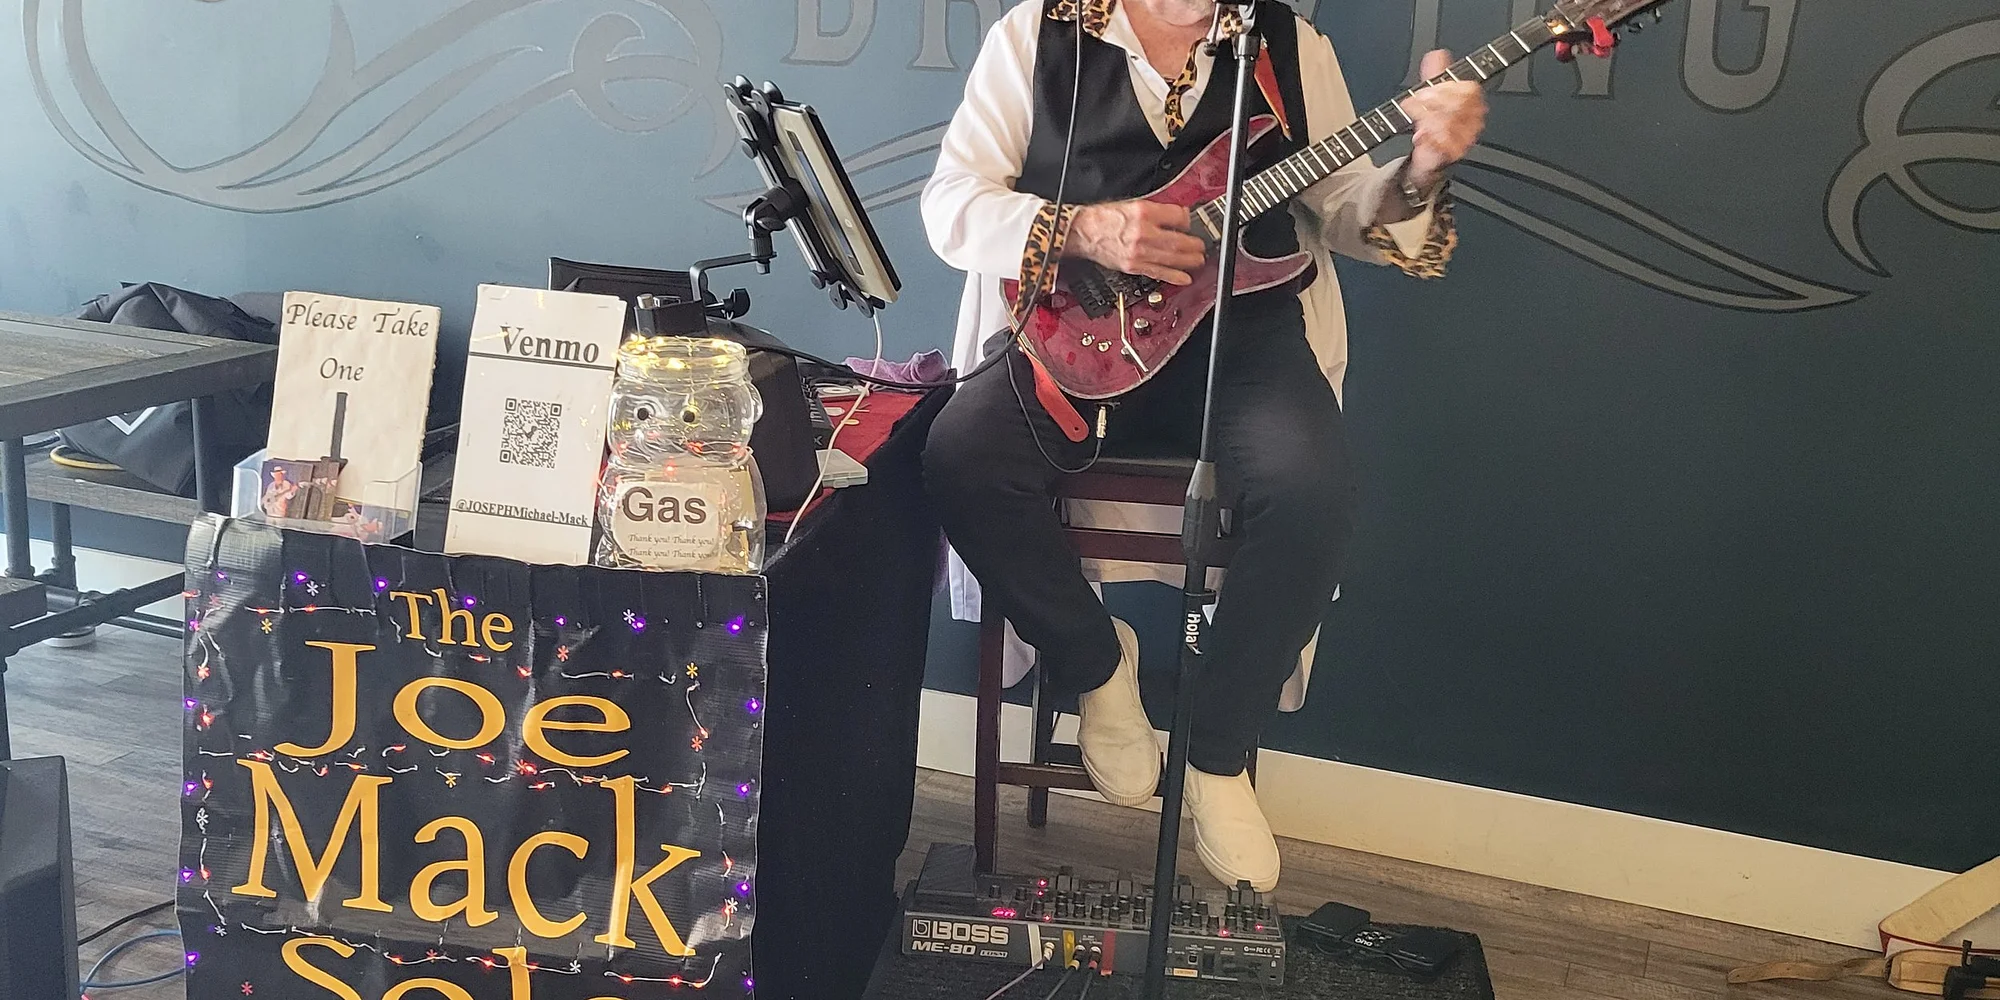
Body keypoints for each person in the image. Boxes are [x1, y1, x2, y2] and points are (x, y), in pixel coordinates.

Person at [920, 0, 1488, 892]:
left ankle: (1217, 753)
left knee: (1311, 493)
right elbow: (950, 203)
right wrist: (1087, 227)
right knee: (959, 455)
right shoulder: (1036, 32)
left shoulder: (1289, 45)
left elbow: (1347, 212)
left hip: (1243, 339)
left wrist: (1421, 168)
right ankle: (1096, 665)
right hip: (1079, 329)